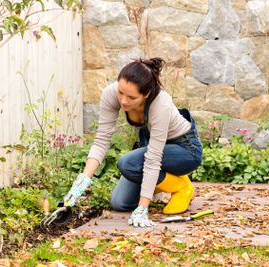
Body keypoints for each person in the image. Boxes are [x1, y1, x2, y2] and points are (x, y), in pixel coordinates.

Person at [63, 57, 203, 228]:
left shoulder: (161, 103)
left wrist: (143, 208)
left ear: (147, 94)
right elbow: (101, 140)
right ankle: (158, 187)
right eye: (121, 92)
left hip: (184, 150)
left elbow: (152, 159)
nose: (123, 101)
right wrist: (83, 179)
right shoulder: (110, 94)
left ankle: (181, 186)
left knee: (128, 163)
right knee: (120, 203)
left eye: (131, 97)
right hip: (152, 147)